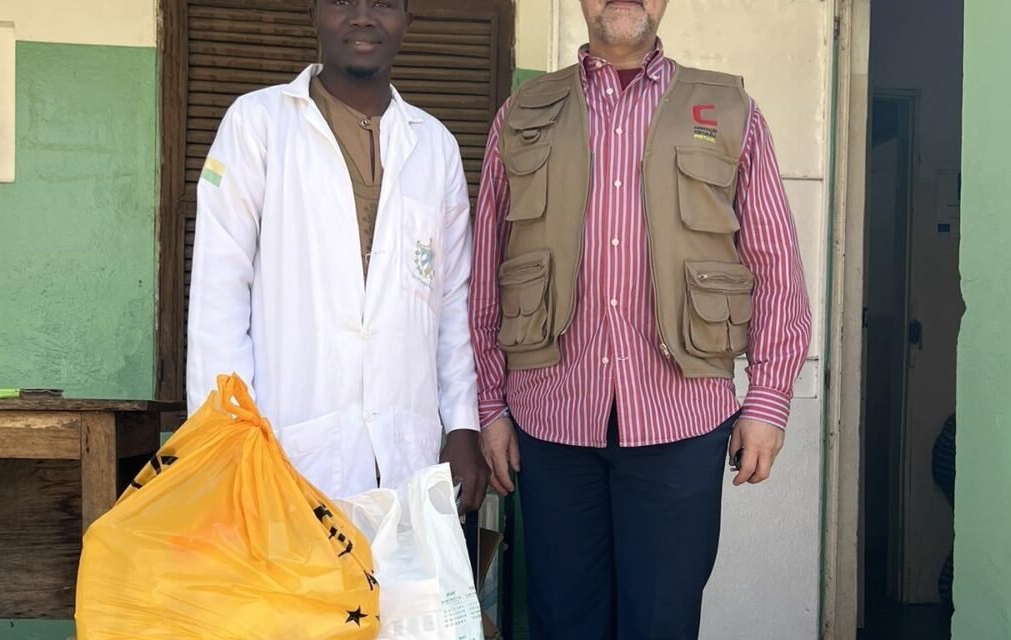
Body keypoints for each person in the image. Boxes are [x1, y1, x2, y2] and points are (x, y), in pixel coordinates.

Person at [468, 0, 813, 636]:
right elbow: (487, 266)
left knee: (661, 623)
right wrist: (490, 407)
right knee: (563, 622)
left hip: (681, 420)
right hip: (551, 420)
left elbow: (774, 265)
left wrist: (767, 403)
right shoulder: (521, 115)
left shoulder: (730, 111)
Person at [187, 0, 488, 510]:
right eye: (344, 1)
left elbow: (453, 301)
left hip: (403, 450)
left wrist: (462, 423)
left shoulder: (436, 146)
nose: (363, 17)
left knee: (399, 588)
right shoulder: (257, 124)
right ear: (314, 14)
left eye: (384, 4)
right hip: (286, 440)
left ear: (407, 21)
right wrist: (225, 433)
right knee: (295, 587)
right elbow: (220, 290)